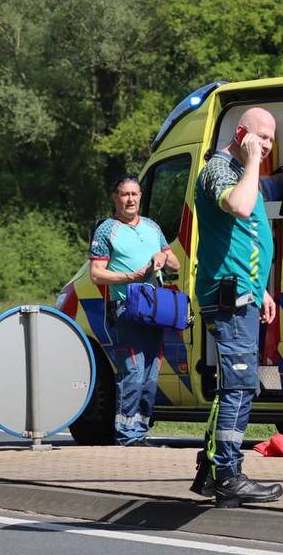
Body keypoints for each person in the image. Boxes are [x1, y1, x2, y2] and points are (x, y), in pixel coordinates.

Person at [188, 107, 283, 507]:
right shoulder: (219, 170)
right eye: (261, 137)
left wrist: (259, 288)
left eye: (271, 140)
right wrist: (254, 162)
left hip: (243, 292)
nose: (267, 146)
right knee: (239, 386)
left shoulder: (244, 172)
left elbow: (246, 238)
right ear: (242, 133)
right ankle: (228, 473)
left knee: (235, 385)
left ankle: (212, 471)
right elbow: (240, 208)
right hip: (227, 297)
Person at [88, 174, 180, 446]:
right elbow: (96, 274)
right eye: (125, 194)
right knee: (133, 371)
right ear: (115, 198)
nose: (130, 199)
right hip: (126, 306)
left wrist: (162, 257)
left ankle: (139, 432)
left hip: (154, 308)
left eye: (135, 194)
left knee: (151, 373)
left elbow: (174, 261)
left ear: (140, 197)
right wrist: (131, 277)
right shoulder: (107, 229)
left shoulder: (152, 226)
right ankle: (127, 435)